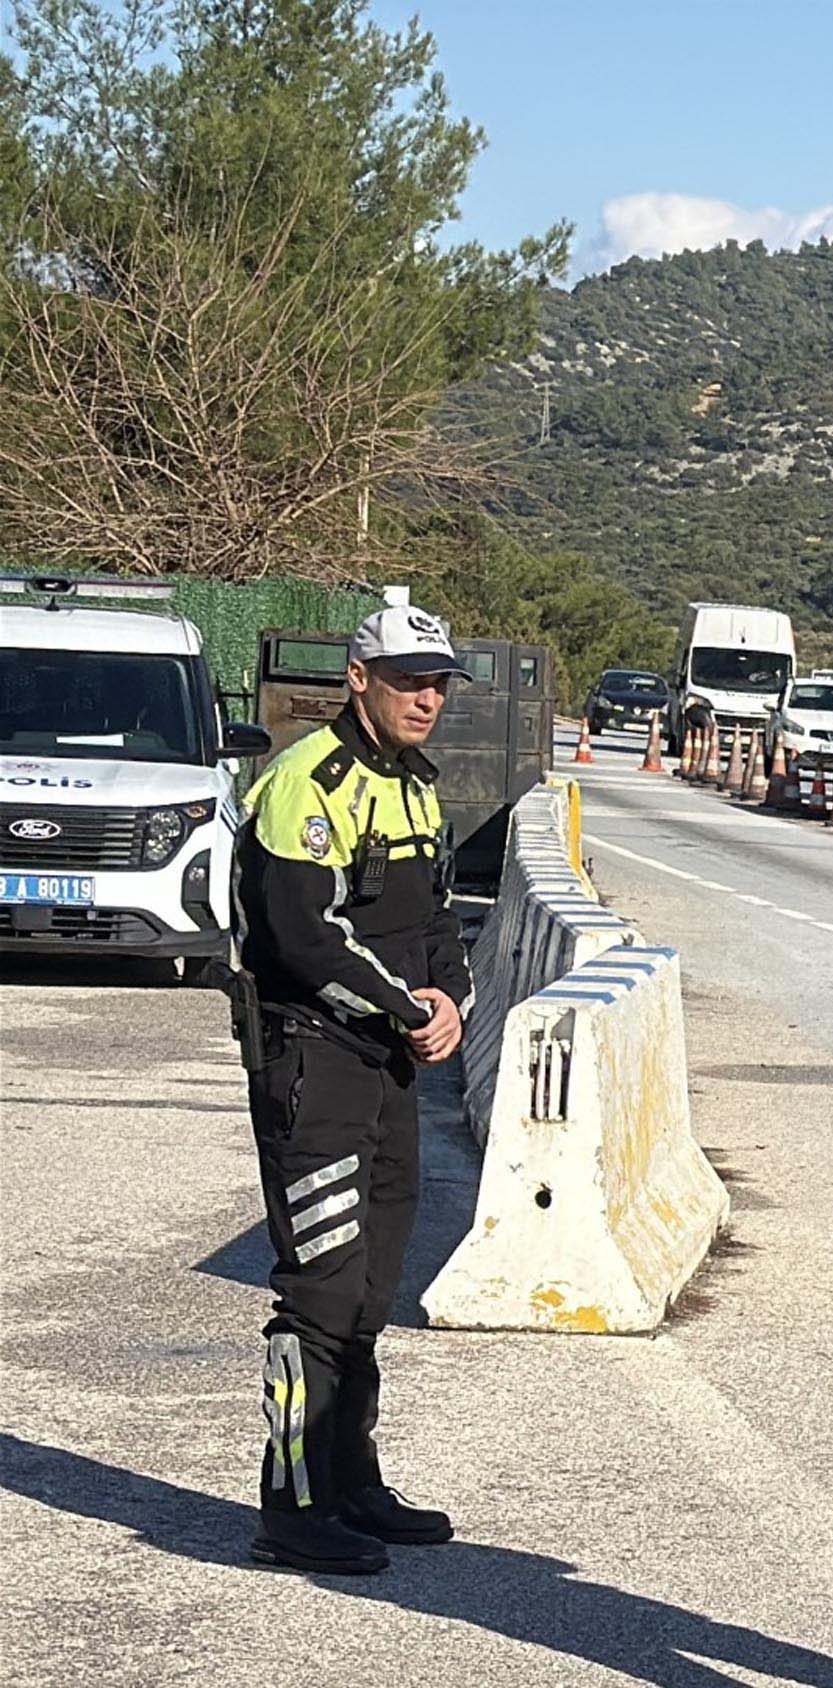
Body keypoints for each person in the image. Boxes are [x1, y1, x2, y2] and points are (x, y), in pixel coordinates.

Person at [233, 604, 473, 1576]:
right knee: (319, 1291)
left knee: (372, 1284)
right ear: (358, 675)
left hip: (387, 1066)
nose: (426, 696)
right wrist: (406, 1006)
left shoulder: (414, 785)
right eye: (408, 677)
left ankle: (351, 1478)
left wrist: (450, 997)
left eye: (440, 681)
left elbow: (441, 919)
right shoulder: (305, 783)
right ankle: (290, 1502)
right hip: (314, 1058)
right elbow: (302, 935)